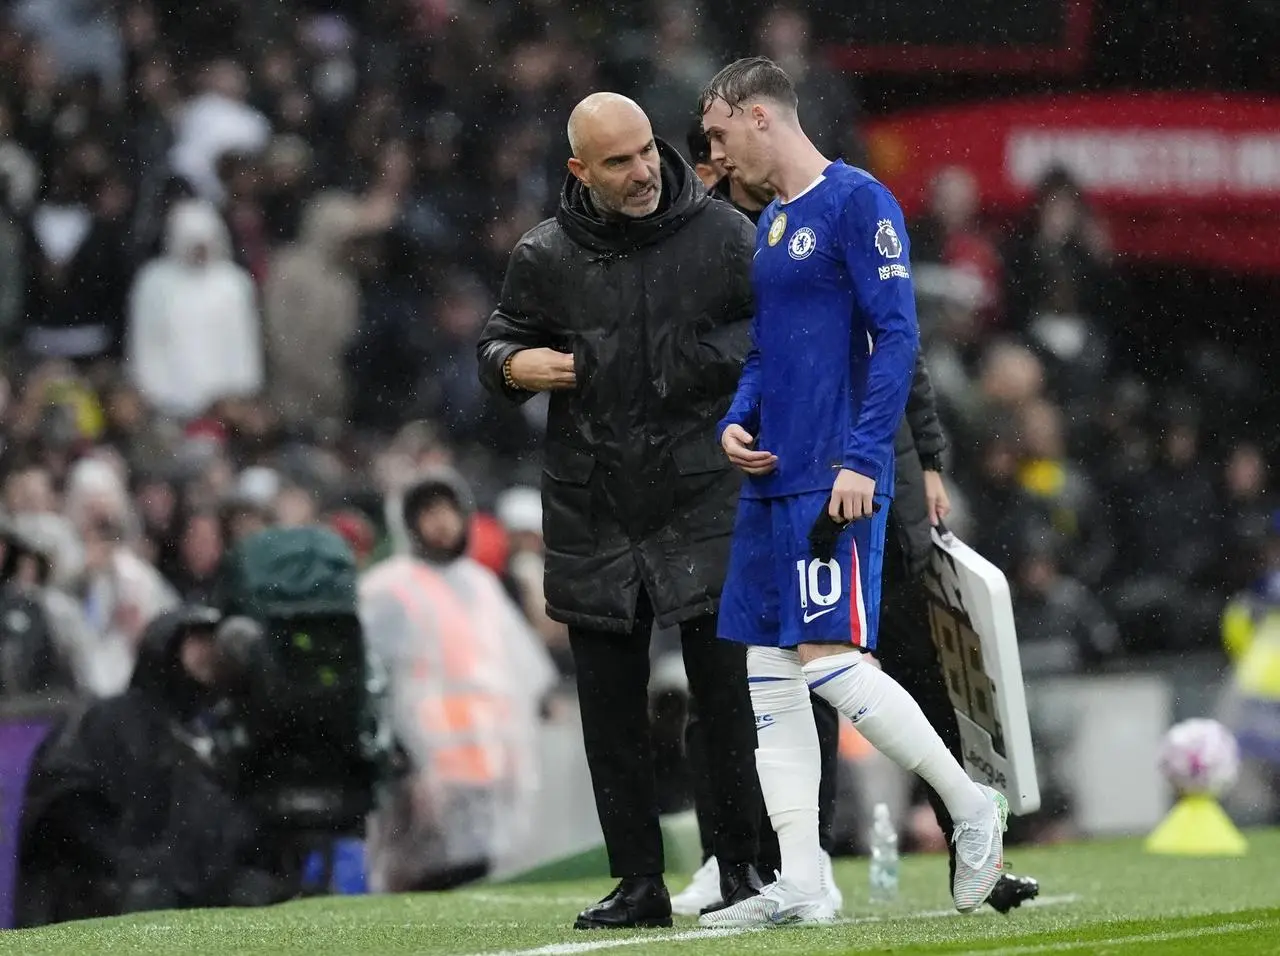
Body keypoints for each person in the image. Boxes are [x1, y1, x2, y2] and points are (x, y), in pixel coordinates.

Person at [676, 119, 1040, 917]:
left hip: (833, 476)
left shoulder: (860, 202)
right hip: (772, 475)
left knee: (834, 664)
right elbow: (767, 352)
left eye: (718, 132)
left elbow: (899, 336)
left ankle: (973, 809)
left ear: (758, 115)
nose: (715, 154)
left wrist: (868, 460)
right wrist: (737, 418)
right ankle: (801, 879)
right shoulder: (771, 223)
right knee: (768, 674)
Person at [476, 92, 765, 930]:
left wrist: (699, 364)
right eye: (618, 161)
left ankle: (740, 866)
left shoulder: (722, 235)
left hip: (706, 493)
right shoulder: (545, 255)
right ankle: (639, 882)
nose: (642, 171)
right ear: (578, 171)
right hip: (594, 503)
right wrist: (517, 367)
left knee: (726, 701)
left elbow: (778, 335)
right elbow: (494, 347)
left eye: (645, 151)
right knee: (610, 715)